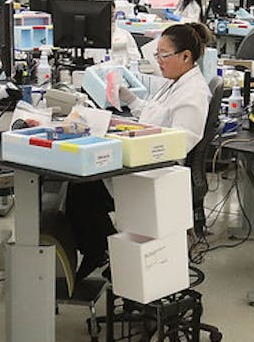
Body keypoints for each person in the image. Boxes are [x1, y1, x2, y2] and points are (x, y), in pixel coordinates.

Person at [66, 23, 215, 278]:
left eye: (163, 55)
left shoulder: (194, 92)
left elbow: (180, 141)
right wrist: (129, 101)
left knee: (82, 191)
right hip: (149, 159)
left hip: (159, 172)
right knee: (79, 187)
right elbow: (156, 115)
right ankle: (102, 251)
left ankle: (104, 252)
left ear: (186, 56)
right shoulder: (175, 82)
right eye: (157, 54)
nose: (158, 61)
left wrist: (130, 138)